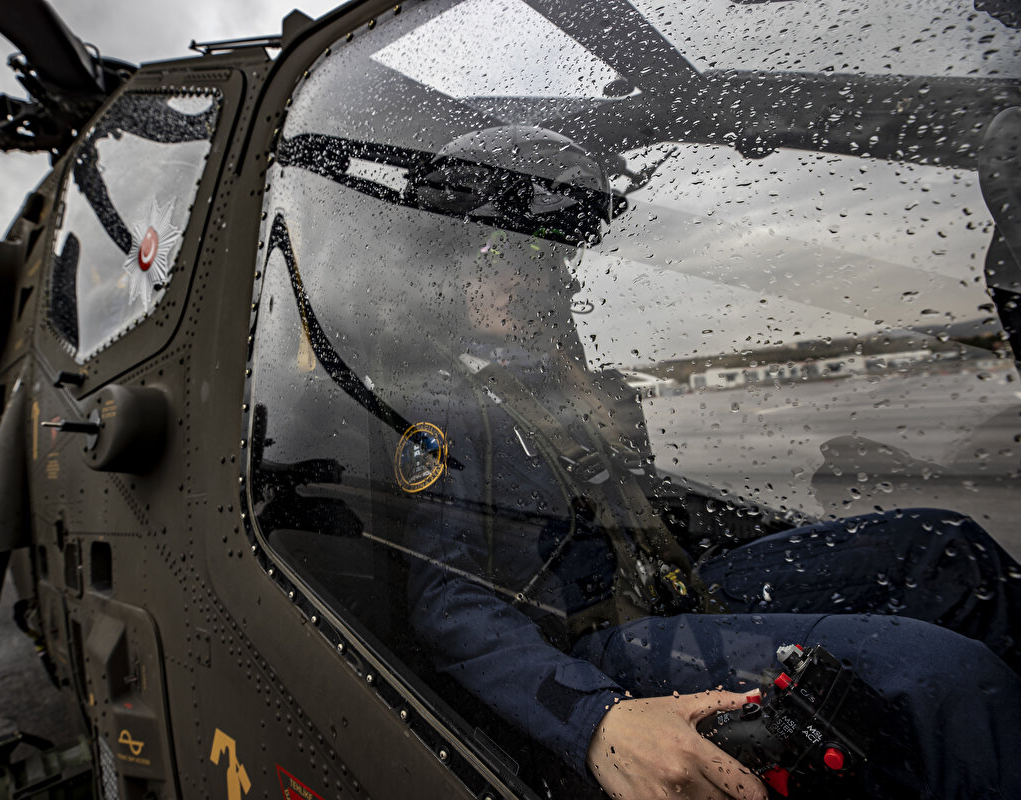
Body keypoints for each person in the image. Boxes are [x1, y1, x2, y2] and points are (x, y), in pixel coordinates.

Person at [400, 126, 1021, 799]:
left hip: (672, 583)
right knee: (940, 678)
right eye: (505, 253)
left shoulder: (570, 385)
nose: (538, 275)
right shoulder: (448, 407)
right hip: (595, 637)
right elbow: (447, 603)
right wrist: (594, 719)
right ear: (456, 270)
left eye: (547, 254)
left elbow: (645, 512)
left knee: (942, 550)